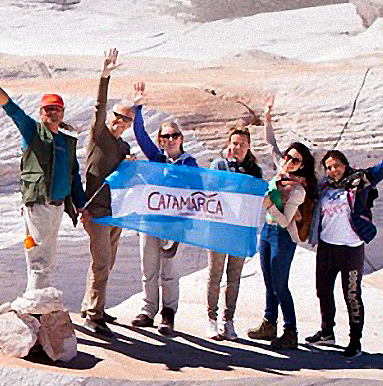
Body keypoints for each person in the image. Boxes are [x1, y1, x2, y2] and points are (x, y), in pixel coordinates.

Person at [309, 131, 383, 357]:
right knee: (323, 290)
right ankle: (327, 332)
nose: (333, 170)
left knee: (351, 294)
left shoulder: (360, 181)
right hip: (327, 247)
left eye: (336, 166)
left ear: (345, 164)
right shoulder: (324, 187)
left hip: (351, 249)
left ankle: (355, 341)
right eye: (329, 167)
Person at [0, 62, 80, 299]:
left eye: (56, 108)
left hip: (58, 206)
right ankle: (36, 302)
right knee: (40, 254)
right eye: (48, 109)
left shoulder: (67, 142)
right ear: (41, 112)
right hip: (39, 203)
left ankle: (37, 298)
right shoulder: (33, 132)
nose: (52, 112)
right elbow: (11, 109)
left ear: (63, 112)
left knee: (46, 253)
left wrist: (81, 205)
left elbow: (74, 175)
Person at [127, 88, 198, 333]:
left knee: (170, 270)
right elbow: (140, 135)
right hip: (150, 221)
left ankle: (168, 312)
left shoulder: (189, 163)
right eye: (166, 136)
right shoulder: (157, 159)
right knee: (149, 268)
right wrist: (138, 108)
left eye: (174, 136)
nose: (170, 140)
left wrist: (186, 221)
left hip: (173, 224)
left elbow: (198, 193)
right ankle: (148, 309)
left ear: (181, 138)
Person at [247, 116, 317, 349]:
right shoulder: (281, 173)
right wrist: (267, 118)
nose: (288, 161)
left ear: (302, 165)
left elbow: (287, 220)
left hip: (283, 236)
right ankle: (269, 322)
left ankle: (291, 330)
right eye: (288, 157)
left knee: (280, 283)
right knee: (269, 280)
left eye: (295, 160)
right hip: (267, 231)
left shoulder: (297, 190)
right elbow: (271, 144)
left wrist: (269, 205)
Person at [77, 48, 133, 329]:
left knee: (106, 264)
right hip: (97, 211)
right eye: (118, 116)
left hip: (116, 212)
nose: (120, 122)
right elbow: (99, 108)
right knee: (101, 263)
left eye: (127, 119)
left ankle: (92, 306)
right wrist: (105, 76)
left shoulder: (124, 147)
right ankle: (94, 317)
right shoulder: (98, 136)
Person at [205, 122, 265, 340]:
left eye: (242, 144)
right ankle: (211, 319)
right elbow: (212, 189)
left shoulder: (255, 171)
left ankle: (228, 320)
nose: (238, 147)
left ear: (249, 147)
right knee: (215, 275)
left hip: (240, 230)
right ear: (229, 145)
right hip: (219, 229)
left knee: (234, 277)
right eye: (235, 143)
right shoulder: (219, 166)